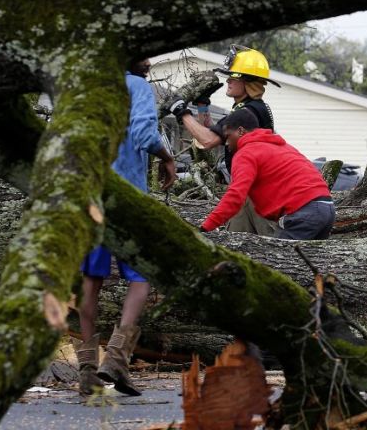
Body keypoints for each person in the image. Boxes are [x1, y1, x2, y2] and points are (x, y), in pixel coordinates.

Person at [77, 58, 177, 397]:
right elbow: (145, 134)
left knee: (91, 281)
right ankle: (117, 358)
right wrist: (167, 156)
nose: (150, 62)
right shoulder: (136, 87)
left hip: (90, 195)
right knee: (141, 276)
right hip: (125, 198)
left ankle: (87, 372)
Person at [172, 45, 279, 234]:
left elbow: (207, 141)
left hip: (258, 193)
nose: (228, 80)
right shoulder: (247, 107)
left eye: (235, 76)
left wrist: (182, 112)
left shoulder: (248, 111)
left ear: (248, 81)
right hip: (248, 191)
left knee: (271, 248)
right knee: (235, 243)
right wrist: (202, 106)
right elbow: (212, 133)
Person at [200, 109, 335, 239]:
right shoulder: (283, 146)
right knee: (306, 261)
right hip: (327, 208)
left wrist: (205, 228)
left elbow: (235, 196)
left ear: (240, 131)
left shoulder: (246, 153)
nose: (227, 144)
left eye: (228, 136)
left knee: (278, 260)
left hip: (303, 212)